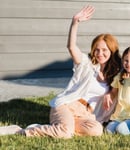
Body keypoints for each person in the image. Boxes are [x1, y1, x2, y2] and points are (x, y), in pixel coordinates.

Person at [0, 5, 121, 138]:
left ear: (111, 51)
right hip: (68, 105)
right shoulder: (86, 64)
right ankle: (20, 131)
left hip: (87, 114)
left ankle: (54, 127)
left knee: (96, 130)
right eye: (97, 49)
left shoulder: (114, 74)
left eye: (105, 50)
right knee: (65, 133)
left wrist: (110, 93)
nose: (100, 53)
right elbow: (71, 47)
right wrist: (75, 22)